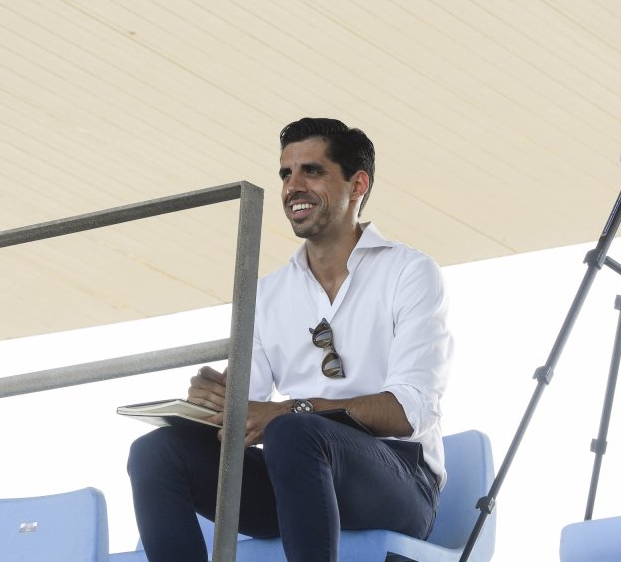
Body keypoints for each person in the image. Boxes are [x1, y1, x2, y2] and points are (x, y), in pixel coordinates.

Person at [127, 118, 453, 562]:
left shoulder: (409, 272)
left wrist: (290, 411)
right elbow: (249, 410)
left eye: (312, 171)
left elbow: (410, 411)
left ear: (357, 184)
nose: (292, 186)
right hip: (297, 475)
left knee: (293, 431)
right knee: (156, 452)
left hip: (399, 482)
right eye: (286, 174)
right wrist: (214, 403)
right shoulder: (267, 293)